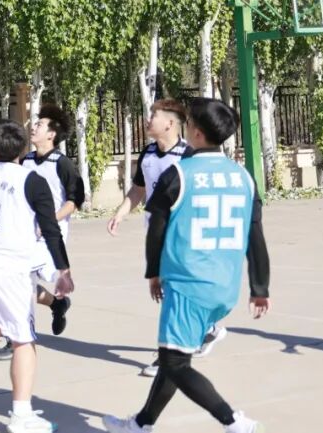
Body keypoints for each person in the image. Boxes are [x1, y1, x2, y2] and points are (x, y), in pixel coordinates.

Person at [102, 98, 271, 433]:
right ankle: (142, 423)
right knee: (174, 355)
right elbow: (256, 235)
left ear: (196, 133)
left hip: (188, 284)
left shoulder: (178, 174)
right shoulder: (244, 177)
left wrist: (153, 273)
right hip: (225, 287)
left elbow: (156, 231)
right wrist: (260, 287)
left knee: (174, 362)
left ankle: (235, 422)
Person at [0, 119, 73, 433]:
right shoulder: (31, 179)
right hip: (7, 268)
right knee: (23, 340)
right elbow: (50, 229)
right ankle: (21, 415)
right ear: (22, 150)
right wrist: (63, 270)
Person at [108, 99, 224, 376]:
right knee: (174, 292)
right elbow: (138, 189)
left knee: (173, 294)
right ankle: (207, 329)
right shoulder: (148, 153)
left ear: (170, 123)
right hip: (156, 234)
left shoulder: (189, 155)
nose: (148, 120)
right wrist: (121, 212)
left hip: (183, 236)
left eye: (154, 115)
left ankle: (168, 356)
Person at [0, 104, 83, 361]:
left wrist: (48, 219)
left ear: (51, 134)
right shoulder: (26, 160)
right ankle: (56, 304)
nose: (33, 127)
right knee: (22, 283)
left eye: (40, 125)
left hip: (51, 235)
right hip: (27, 233)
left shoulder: (63, 164)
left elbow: (74, 201)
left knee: (20, 280)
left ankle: (18, 338)